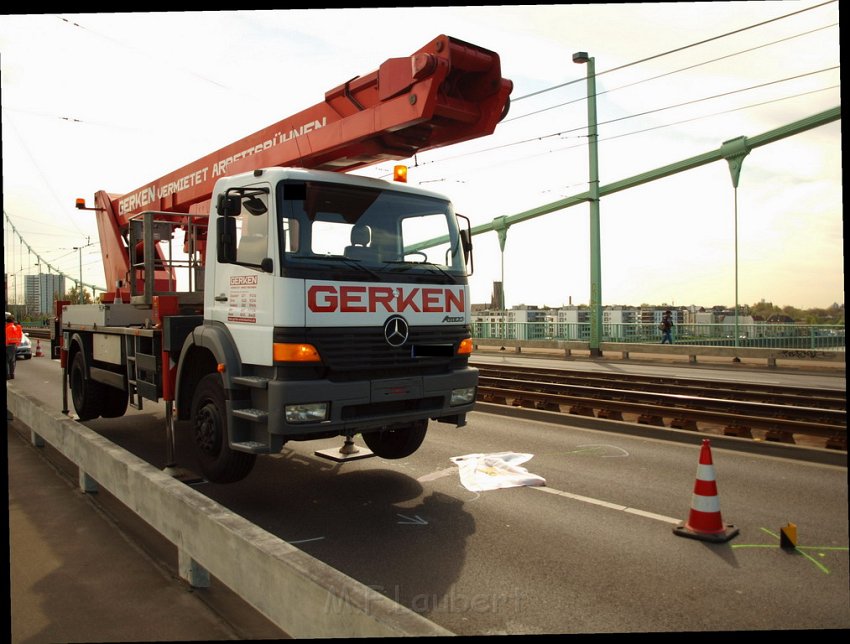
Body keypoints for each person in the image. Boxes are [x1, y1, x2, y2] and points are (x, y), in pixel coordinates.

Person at [6, 313, 23, 379]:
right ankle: (12, 374)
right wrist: (17, 344)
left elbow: (7, 337)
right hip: (14, 345)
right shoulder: (16, 327)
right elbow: (19, 336)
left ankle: (7, 375)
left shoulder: (7, 328)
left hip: (7, 345)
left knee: (6, 361)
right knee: (12, 361)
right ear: (13, 321)